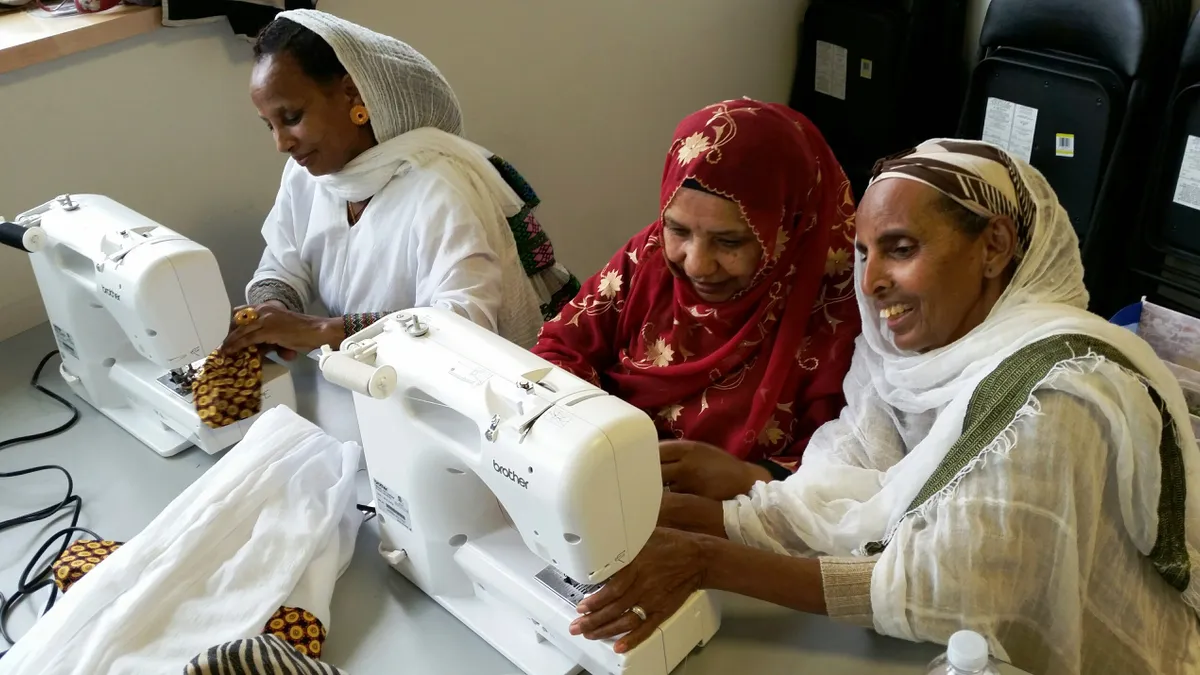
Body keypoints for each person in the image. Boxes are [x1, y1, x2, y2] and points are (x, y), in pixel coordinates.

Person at [567, 140, 1200, 675]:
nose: (868, 283)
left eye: (899, 249)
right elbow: (864, 485)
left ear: (995, 246)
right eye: (865, 252)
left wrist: (710, 555)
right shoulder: (907, 357)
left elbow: (940, 582)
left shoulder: (1058, 390)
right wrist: (728, 503)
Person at [532, 98, 860, 500]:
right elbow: (560, 347)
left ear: (790, 228)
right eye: (679, 230)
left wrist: (749, 478)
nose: (698, 265)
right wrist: (607, 437)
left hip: (742, 525)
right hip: (612, 480)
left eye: (729, 241)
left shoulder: (840, 308)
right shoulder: (649, 256)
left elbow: (857, 470)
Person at [222, 9, 577, 358]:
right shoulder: (308, 174)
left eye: (292, 117)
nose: (282, 143)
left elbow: (464, 324)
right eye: (270, 125)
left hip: (441, 397)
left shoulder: (438, 187)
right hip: (360, 379)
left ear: (352, 95)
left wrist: (322, 331)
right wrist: (269, 313)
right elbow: (283, 263)